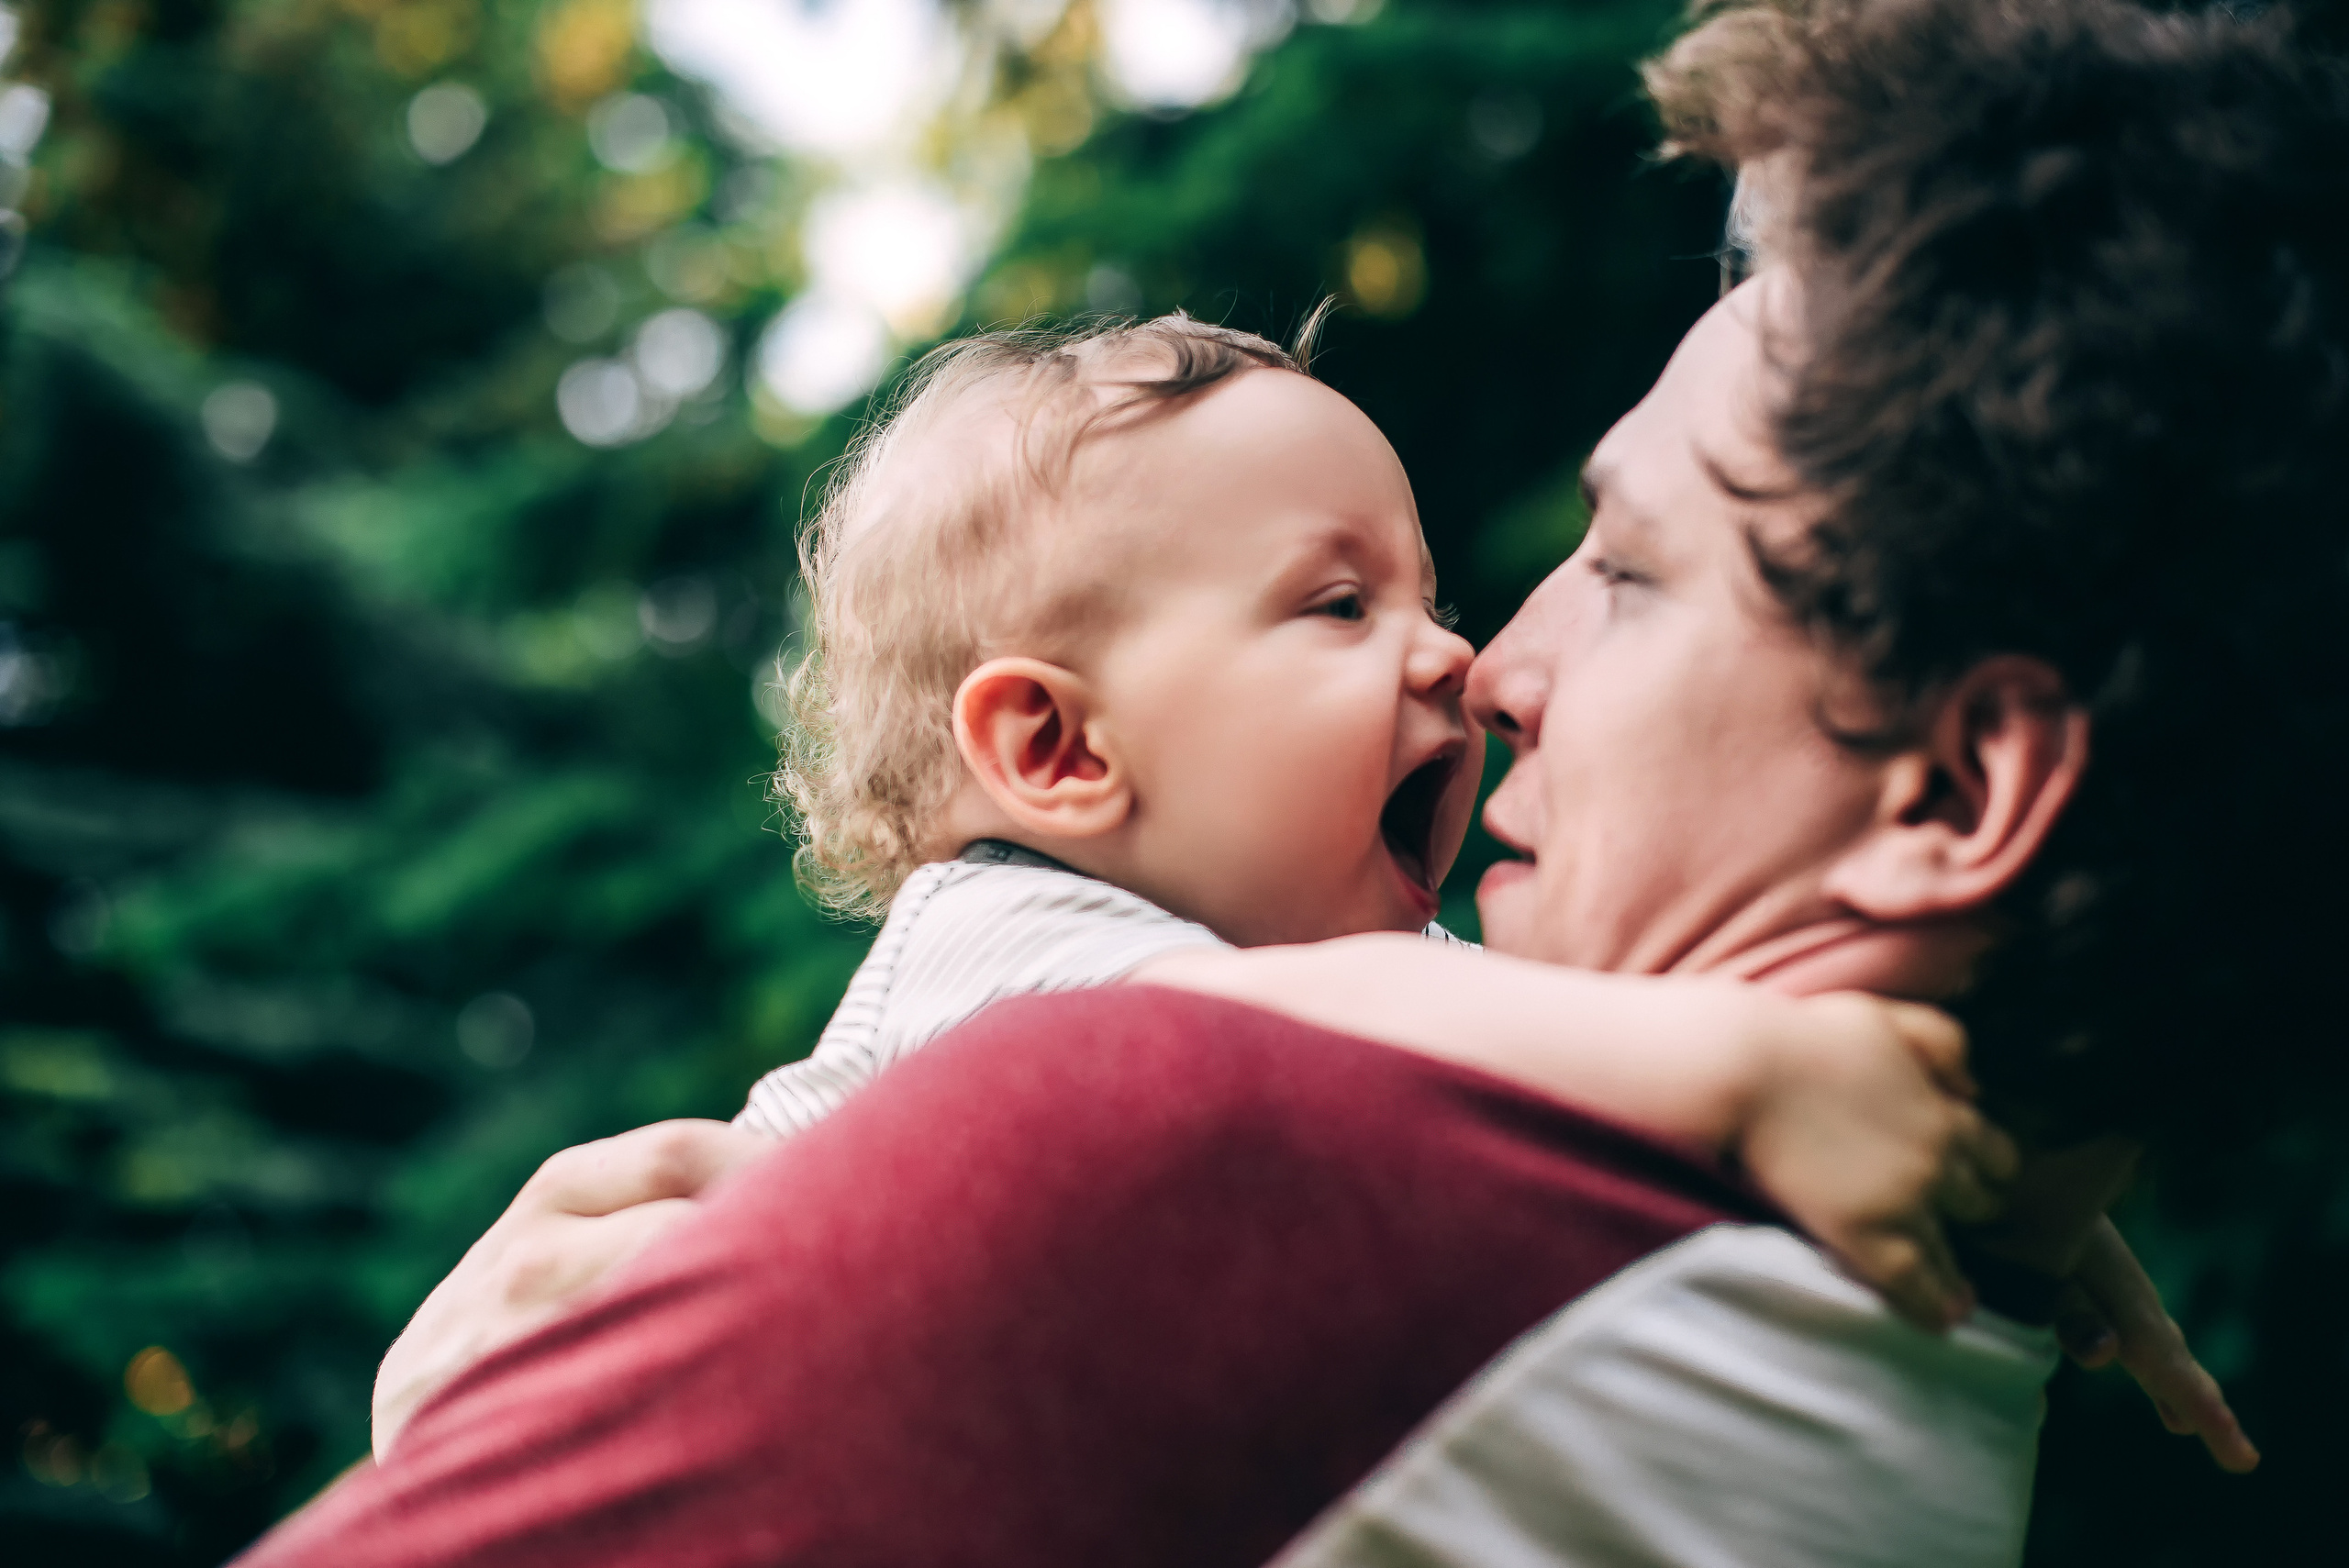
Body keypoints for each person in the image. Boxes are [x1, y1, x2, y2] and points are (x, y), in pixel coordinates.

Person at [240, 0, 2338, 1562]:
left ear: (1959, 789)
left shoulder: (1262, 1173)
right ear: (1047, 750)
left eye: (1624, 569)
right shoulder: (1860, 1354)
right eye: (1340, 611)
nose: (1486, 664)